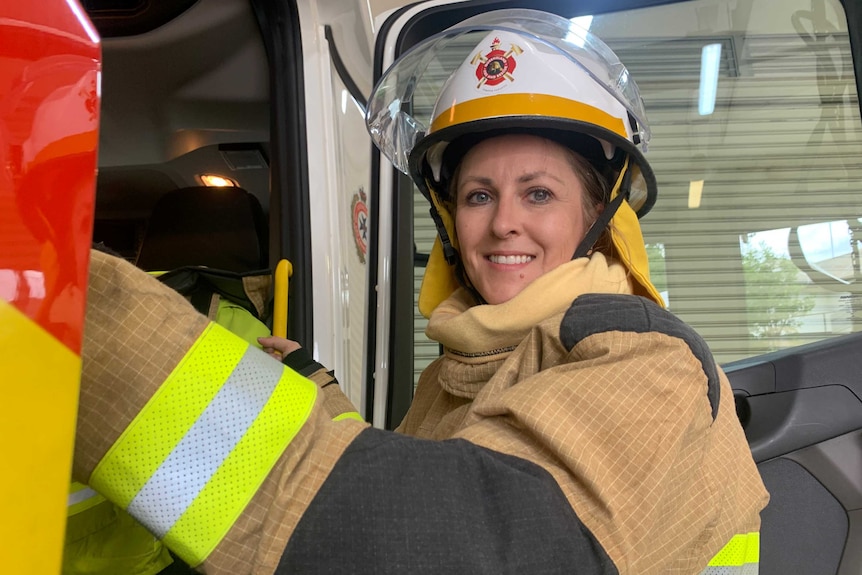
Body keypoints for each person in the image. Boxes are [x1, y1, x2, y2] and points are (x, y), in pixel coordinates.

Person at [75, 9, 767, 575]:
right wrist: (316, 390)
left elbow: (465, 542)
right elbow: (432, 476)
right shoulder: (463, 367)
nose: (503, 223)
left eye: (539, 193)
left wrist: (78, 320)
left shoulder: (646, 364)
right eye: (478, 194)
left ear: (597, 215)